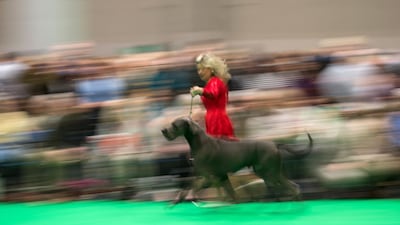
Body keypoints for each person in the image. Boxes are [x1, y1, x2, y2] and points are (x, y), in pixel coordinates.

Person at [190, 53, 237, 141]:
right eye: (198, 70)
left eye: (203, 69)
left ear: (211, 69)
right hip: (211, 118)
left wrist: (200, 91)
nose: (200, 72)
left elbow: (213, 94)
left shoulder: (216, 81)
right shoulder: (210, 83)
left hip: (218, 119)